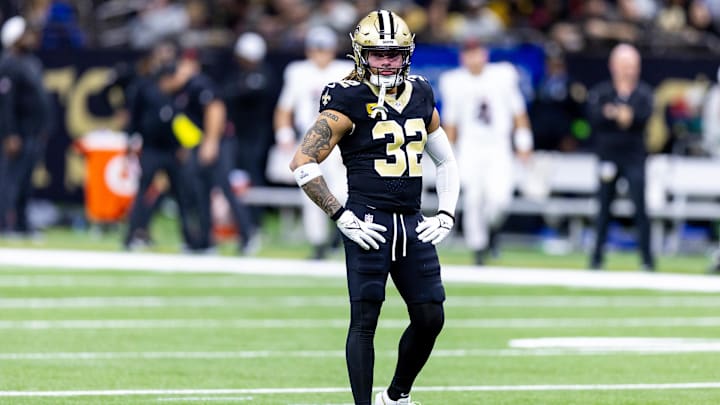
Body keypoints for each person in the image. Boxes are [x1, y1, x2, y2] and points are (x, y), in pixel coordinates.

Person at [289, 10, 460, 405]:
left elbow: (445, 160)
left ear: (407, 54)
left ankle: (396, 396)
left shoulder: (421, 93)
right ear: (360, 53)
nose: (386, 61)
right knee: (365, 321)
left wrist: (447, 212)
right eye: (377, 53)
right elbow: (302, 161)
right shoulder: (346, 96)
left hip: (411, 221)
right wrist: (340, 214)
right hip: (367, 222)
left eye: (394, 53)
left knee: (431, 315)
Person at [438, 38, 533, 265]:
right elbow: (450, 123)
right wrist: (448, 155)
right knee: (473, 199)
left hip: (497, 145)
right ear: (463, 57)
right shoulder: (454, 81)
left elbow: (518, 112)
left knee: (499, 199)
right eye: (468, 54)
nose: (473, 58)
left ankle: (491, 232)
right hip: (470, 147)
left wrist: (524, 143)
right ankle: (478, 249)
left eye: (476, 53)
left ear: (485, 54)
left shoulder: (502, 76)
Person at [273, 25, 353, 260]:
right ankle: (318, 243)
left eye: (324, 49)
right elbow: (284, 108)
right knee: (310, 191)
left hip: (339, 140)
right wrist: (284, 135)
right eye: (316, 49)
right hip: (309, 140)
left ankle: (341, 234)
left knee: (343, 190)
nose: (320, 54)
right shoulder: (298, 72)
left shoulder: (346, 71)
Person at [587, 43, 655, 271]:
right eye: (624, 65)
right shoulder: (603, 91)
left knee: (640, 209)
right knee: (603, 209)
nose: (629, 71)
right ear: (613, 66)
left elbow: (642, 118)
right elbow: (595, 118)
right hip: (608, 155)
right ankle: (596, 257)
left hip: (634, 157)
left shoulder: (643, 92)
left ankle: (647, 259)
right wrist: (620, 116)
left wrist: (618, 115)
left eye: (632, 66)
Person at [0, 16, 52, 237]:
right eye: (25, 34)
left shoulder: (31, 62)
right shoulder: (8, 63)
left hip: (33, 131)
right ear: (14, 38)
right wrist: (10, 134)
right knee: (9, 180)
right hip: (18, 131)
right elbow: (6, 103)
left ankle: (21, 222)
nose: (31, 38)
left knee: (26, 180)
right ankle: (4, 223)